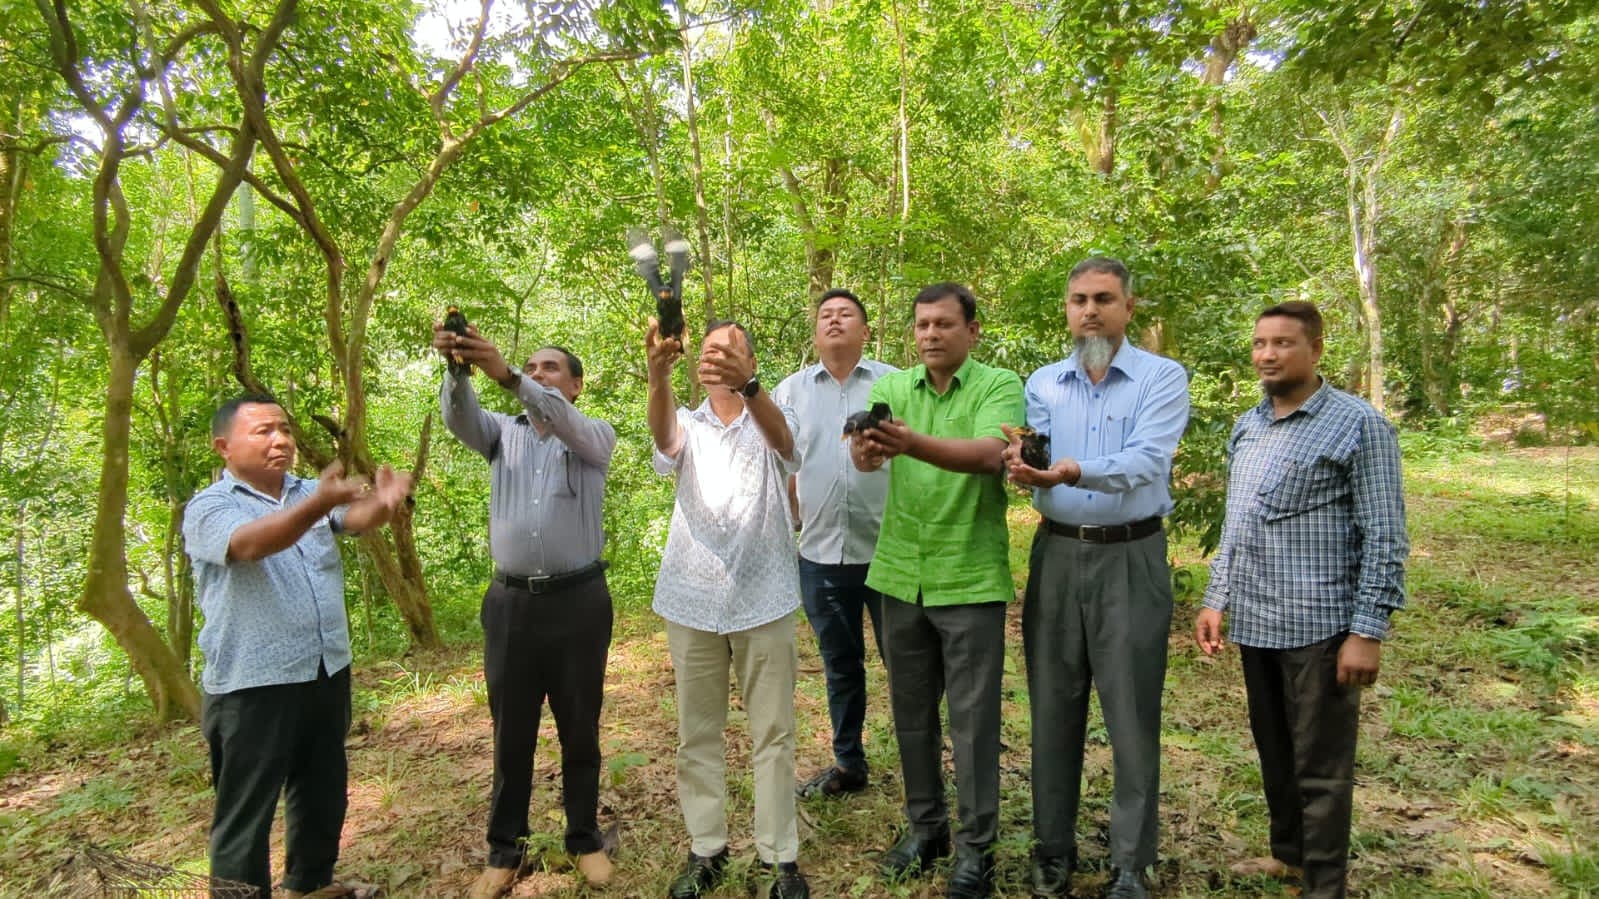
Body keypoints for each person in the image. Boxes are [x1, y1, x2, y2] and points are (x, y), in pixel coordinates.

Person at [1194, 301, 1407, 899]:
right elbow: (1237, 524)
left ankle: (1323, 885)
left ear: (1315, 350)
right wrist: (1217, 598)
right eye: (1260, 342)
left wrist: (1367, 630)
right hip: (1257, 620)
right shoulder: (1248, 425)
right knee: (1275, 749)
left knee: (1322, 766)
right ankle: (1288, 856)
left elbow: (1385, 534)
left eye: (1283, 343)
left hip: (1322, 627)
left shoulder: (1358, 425)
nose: (1267, 354)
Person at [1003, 257, 1190, 899]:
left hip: (1131, 557)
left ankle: (1131, 864)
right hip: (1055, 555)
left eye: (1104, 299)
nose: (1090, 310)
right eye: (1079, 299)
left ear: (1128, 309)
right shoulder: (1043, 383)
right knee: (1053, 707)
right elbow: (1033, 454)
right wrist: (1020, 461)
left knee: (1132, 711)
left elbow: (1146, 459)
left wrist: (1069, 472)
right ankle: (1051, 852)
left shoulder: (1161, 379)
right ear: (1067, 308)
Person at [184, 394, 412, 898]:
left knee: (321, 794)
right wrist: (316, 504)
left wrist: (384, 503)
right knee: (246, 815)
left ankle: (310, 887)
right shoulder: (210, 507)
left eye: (284, 429)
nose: (281, 440)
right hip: (252, 684)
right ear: (223, 446)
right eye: (263, 431)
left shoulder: (306, 491)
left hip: (324, 671)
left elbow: (350, 520)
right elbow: (248, 545)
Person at [848, 282, 1024, 899]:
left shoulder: (998, 385)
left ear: (972, 330)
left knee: (973, 723)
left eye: (943, 325)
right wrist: (866, 450)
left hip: (969, 575)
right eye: (922, 325)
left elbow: (988, 454)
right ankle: (927, 829)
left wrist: (909, 444)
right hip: (899, 573)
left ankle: (977, 849)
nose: (930, 335)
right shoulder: (893, 388)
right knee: (911, 715)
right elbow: (867, 456)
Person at [432, 323, 617, 898]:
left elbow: (563, 420)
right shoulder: (501, 433)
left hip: (580, 601)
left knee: (579, 725)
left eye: (550, 368)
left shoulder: (591, 434)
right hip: (510, 603)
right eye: (531, 368)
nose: (537, 375)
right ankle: (504, 849)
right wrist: (459, 368)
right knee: (512, 729)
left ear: (577, 385)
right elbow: (458, 419)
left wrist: (509, 375)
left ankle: (583, 839)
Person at [646, 316, 811, 899]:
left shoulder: (773, 415)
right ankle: (706, 849)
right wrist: (657, 376)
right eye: (709, 351)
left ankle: (779, 858)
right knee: (697, 732)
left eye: (731, 352)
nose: (717, 359)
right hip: (690, 598)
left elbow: (788, 448)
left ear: (750, 362)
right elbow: (665, 445)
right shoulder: (687, 422)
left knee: (773, 731)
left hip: (764, 596)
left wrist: (751, 387)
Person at [771, 287, 897, 799]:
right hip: (820, 554)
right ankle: (849, 762)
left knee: (905, 662)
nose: (835, 320)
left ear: (866, 331)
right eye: (826, 315)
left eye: (847, 314)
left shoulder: (895, 383)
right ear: (815, 331)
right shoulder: (790, 390)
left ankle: (925, 761)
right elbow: (779, 460)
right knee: (840, 663)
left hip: (890, 550)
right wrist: (793, 518)